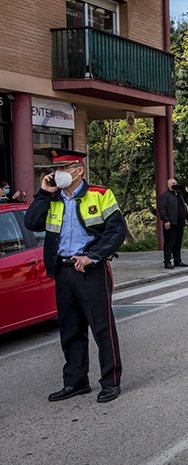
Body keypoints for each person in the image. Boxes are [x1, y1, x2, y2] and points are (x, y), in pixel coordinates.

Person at [24, 149, 126, 403]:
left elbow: (116, 232)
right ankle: (76, 381)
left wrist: (92, 256)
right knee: (70, 329)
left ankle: (111, 382)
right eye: (55, 170)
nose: (57, 174)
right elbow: (32, 223)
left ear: (79, 171)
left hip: (90, 270)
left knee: (102, 329)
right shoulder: (53, 198)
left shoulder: (100, 195)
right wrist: (43, 193)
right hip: (63, 270)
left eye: (64, 169)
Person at [158, 178, 188, 269]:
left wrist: (187, 218)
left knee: (178, 242)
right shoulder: (164, 196)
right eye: (172, 183)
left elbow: (183, 207)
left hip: (179, 222)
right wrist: (166, 220)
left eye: (175, 183)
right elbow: (162, 210)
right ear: (168, 185)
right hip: (170, 223)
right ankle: (167, 261)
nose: (175, 184)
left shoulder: (179, 194)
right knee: (169, 243)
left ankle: (177, 260)